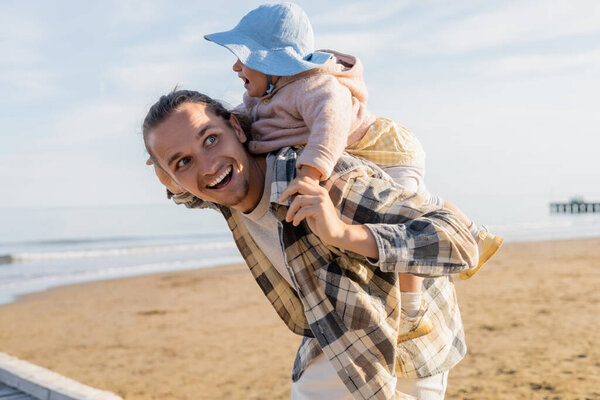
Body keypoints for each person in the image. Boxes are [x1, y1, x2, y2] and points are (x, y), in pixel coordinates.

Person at [142, 89, 479, 399]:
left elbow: (458, 241)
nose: (208, 165)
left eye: (211, 139)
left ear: (237, 129)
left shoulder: (325, 184)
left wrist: (345, 235)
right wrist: (169, 176)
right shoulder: (224, 187)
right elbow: (187, 191)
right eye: (182, 161)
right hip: (334, 337)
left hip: (406, 349)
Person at [200, 2, 503, 343]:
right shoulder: (259, 96)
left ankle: (414, 313)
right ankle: (475, 232)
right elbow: (242, 119)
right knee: (422, 199)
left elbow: (327, 132)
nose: (236, 65)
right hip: (362, 155)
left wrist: (309, 174)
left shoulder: (316, 87)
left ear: (275, 61)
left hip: (385, 148)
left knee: (404, 219)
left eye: (246, 56)